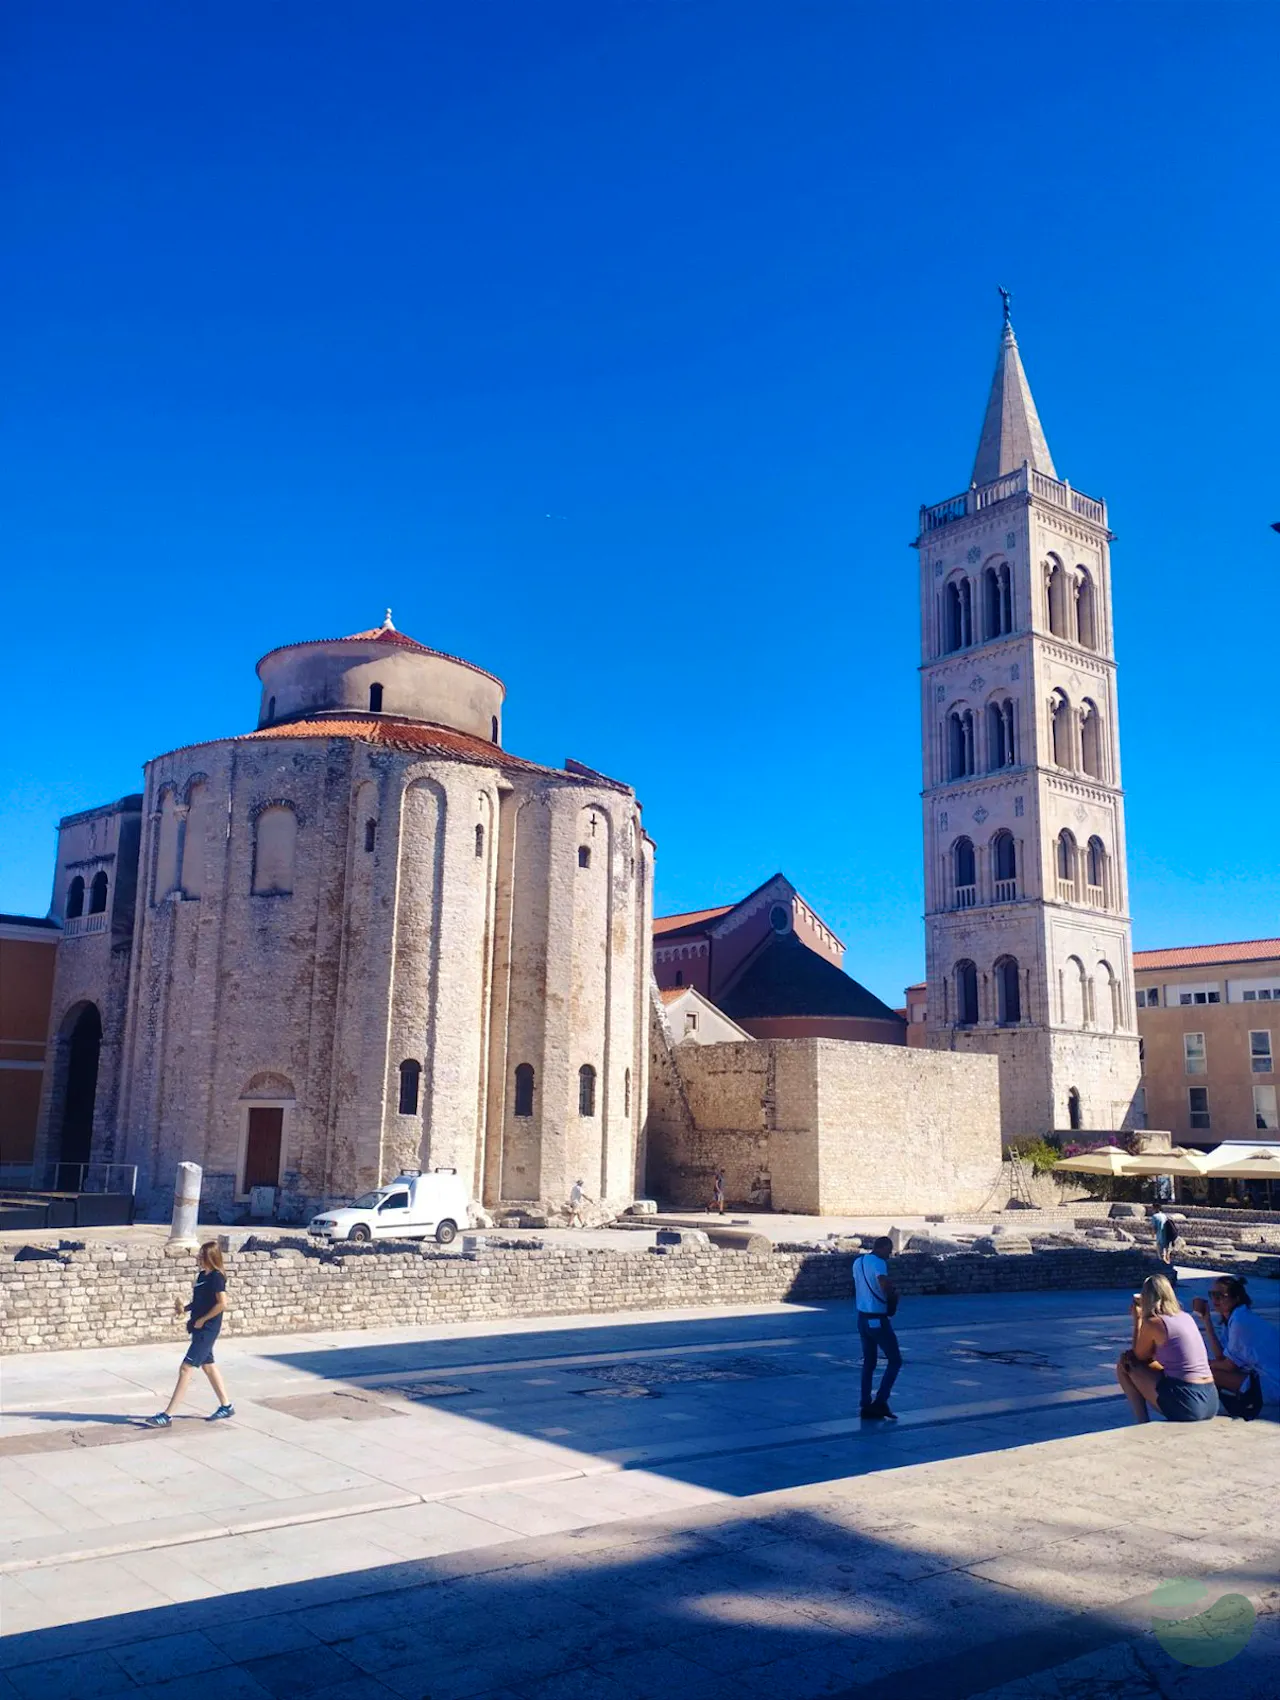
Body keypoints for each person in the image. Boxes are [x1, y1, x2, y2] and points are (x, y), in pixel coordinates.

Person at [145, 1241, 234, 1426]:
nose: (198, 1258)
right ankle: (226, 1406)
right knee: (208, 1365)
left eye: (202, 1255)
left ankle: (167, 1415)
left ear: (210, 1257)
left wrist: (203, 1320)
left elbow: (222, 1304)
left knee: (186, 1368)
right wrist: (184, 1309)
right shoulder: (203, 1275)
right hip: (198, 1327)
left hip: (207, 1330)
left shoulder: (217, 1277)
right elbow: (201, 1301)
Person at [1115, 1273, 1218, 1424]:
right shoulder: (1185, 1317)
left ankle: (1142, 1421)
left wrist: (1138, 1319)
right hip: (1211, 1399)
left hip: (1188, 1402)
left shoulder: (1154, 1323)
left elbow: (1138, 1356)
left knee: (1125, 1364)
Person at [1192, 1276, 1280, 1414]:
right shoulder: (1235, 1318)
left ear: (1236, 1298)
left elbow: (1228, 1365)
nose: (1215, 1299)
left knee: (1204, 1373)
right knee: (1206, 1369)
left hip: (1272, 1384)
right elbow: (1221, 1356)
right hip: (1263, 1378)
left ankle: (1199, 1410)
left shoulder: (1240, 1321)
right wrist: (1206, 1319)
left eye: (1221, 1295)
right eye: (1213, 1295)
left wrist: (1201, 1364)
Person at [854, 1235, 901, 1421]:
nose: (889, 1255)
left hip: (862, 1318)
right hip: (877, 1319)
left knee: (869, 1362)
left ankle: (865, 1403)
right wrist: (892, 1299)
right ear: (882, 1248)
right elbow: (883, 1283)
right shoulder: (879, 1263)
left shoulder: (857, 1262)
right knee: (895, 1360)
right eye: (889, 1251)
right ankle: (881, 1401)